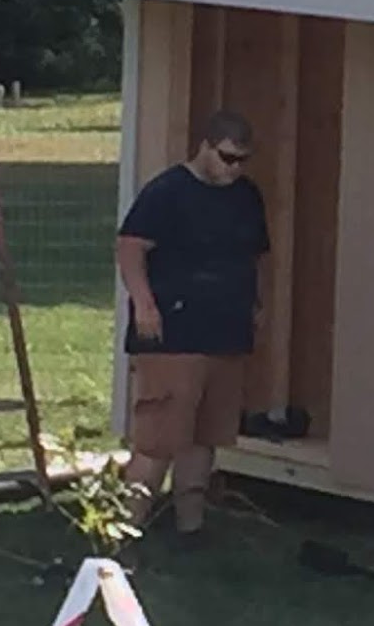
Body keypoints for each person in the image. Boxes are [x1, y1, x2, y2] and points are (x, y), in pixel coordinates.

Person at [115, 110, 270, 538]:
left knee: (205, 436)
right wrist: (145, 305)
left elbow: (257, 255)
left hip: (226, 331)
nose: (234, 168)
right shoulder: (167, 192)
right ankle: (122, 534)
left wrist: (258, 302)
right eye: (227, 158)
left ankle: (191, 528)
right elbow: (130, 248)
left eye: (243, 161)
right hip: (173, 334)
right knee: (159, 437)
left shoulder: (246, 195)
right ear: (205, 146)